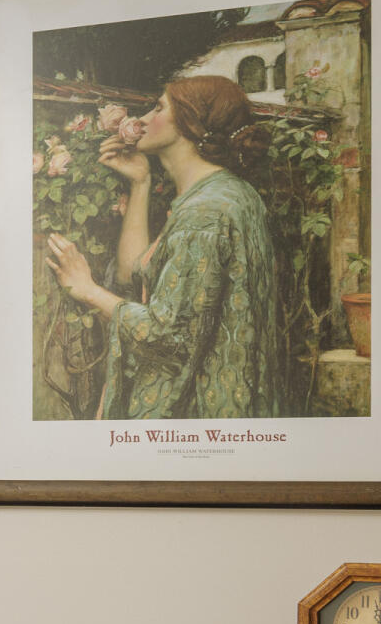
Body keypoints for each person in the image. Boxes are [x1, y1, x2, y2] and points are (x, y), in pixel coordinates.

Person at [43, 75, 291, 419]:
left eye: (158, 108)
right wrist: (141, 183)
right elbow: (136, 277)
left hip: (200, 411)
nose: (142, 119)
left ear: (190, 122)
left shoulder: (205, 213)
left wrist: (87, 291)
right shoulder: (223, 194)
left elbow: (166, 337)